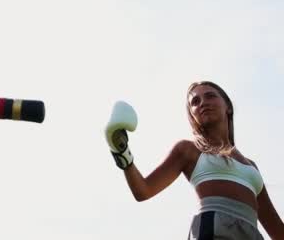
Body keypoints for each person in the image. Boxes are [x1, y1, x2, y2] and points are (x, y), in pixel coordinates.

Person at [106, 81, 284, 239]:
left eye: (210, 96)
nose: (203, 103)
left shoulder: (251, 166)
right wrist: (122, 153)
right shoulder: (188, 150)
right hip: (214, 230)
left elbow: (277, 231)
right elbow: (143, 191)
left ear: (228, 107)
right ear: (192, 115)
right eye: (195, 101)